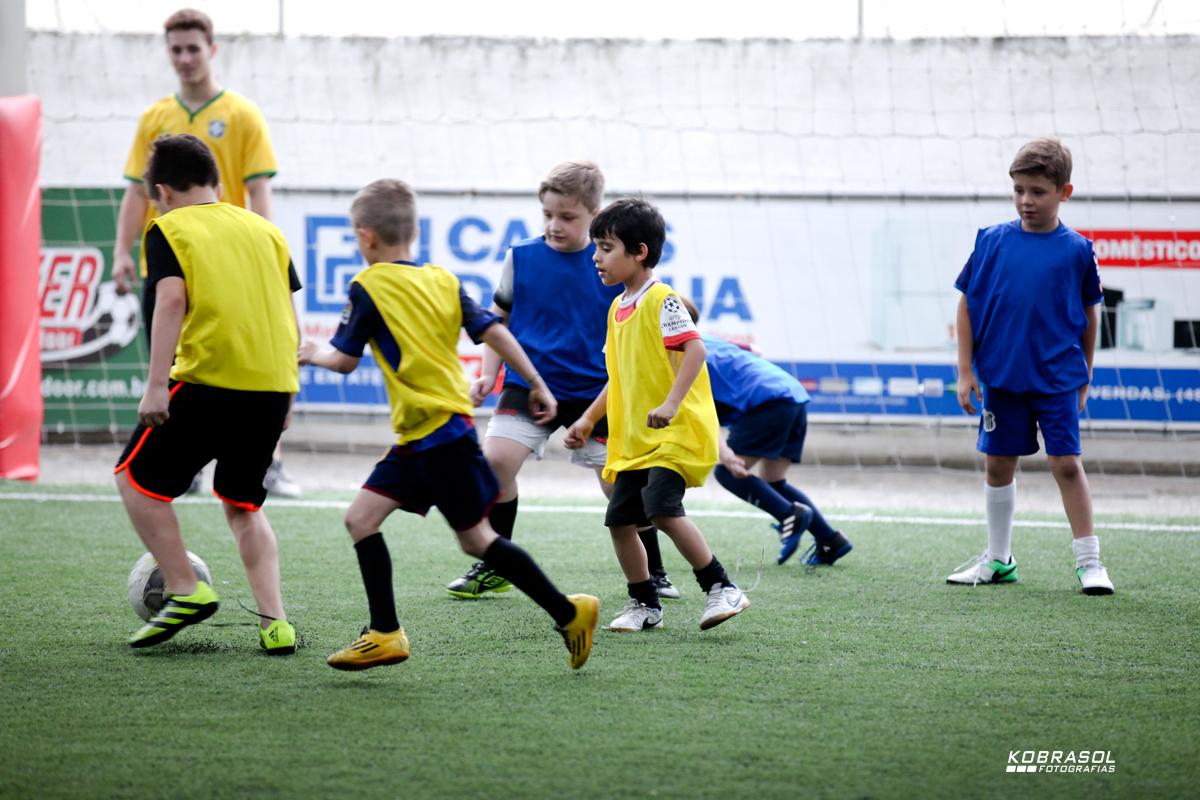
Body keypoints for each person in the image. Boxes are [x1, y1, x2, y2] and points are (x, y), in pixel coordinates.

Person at [298, 179, 600, 670]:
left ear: (365, 237)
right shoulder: (442, 279)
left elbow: (346, 361)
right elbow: (495, 330)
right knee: (360, 519)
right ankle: (384, 633)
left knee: (476, 540)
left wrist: (314, 354)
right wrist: (536, 381)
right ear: (413, 231)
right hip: (424, 435)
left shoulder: (367, 286)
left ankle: (569, 612)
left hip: (438, 436)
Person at [449, 161, 685, 600]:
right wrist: (486, 374)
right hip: (529, 384)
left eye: (568, 217)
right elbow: (496, 321)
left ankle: (654, 571)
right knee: (495, 464)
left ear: (595, 215)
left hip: (598, 391)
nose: (554, 225)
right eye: (547, 215)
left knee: (621, 486)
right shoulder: (519, 257)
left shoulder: (615, 264)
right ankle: (497, 563)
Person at [114, 134, 300, 653]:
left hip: (207, 381)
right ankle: (276, 624)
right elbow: (289, 318)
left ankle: (183, 587)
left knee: (134, 482)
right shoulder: (267, 231)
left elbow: (170, 301)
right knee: (243, 504)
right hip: (269, 387)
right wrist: (288, 395)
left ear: (160, 192)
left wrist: (156, 386)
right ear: (218, 186)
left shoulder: (169, 227)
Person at [112, 8, 300, 498]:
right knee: (175, 363)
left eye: (193, 47)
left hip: (228, 268)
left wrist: (267, 256)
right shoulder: (156, 117)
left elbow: (260, 190)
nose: (185, 57)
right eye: (176, 49)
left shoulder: (242, 114)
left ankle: (270, 463)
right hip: (173, 263)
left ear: (211, 50)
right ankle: (187, 462)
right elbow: (136, 191)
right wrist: (121, 251)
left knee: (247, 362)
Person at [565, 198, 749, 632]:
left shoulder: (662, 299)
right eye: (596, 247)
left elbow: (695, 349)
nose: (596, 257)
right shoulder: (617, 309)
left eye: (606, 248)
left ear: (639, 251)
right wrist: (589, 419)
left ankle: (722, 587)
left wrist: (670, 404)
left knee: (662, 509)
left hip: (675, 432)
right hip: (636, 442)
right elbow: (619, 377)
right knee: (620, 521)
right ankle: (645, 604)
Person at [950, 136, 1113, 595]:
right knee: (999, 465)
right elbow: (966, 307)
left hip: (1057, 378)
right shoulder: (991, 241)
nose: (1026, 200)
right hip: (1001, 378)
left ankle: (1090, 563)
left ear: (1064, 192)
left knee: (1065, 464)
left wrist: (1086, 373)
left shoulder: (1078, 250)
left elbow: (1088, 317)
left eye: (1038, 191)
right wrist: (965, 371)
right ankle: (999, 560)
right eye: (1019, 189)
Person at [673, 297, 852, 567]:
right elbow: (754, 350)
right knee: (772, 481)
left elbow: (704, 411)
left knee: (728, 472)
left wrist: (726, 453)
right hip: (791, 392)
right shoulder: (705, 341)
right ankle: (831, 539)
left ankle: (789, 514)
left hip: (765, 402)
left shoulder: (683, 357)